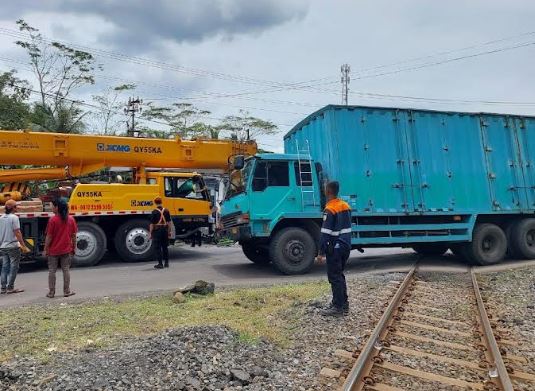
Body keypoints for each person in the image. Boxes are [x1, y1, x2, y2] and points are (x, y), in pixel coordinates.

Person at [316, 181, 352, 317]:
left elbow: (325, 233)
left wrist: (321, 253)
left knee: (334, 277)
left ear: (327, 191)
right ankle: (343, 303)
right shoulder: (345, 206)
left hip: (335, 248)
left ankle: (338, 307)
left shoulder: (330, 209)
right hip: (345, 246)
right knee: (340, 274)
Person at [44, 198, 77, 298]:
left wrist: (46, 249)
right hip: (66, 250)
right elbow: (74, 236)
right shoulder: (71, 219)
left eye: (52, 206)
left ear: (57, 207)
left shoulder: (52, 220)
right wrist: (73, 247)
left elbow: (49, 237)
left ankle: (51, 292)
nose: (51, 207)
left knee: (52, 271)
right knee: (66, 270)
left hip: (53, 251)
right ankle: (66, 291)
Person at [0, 199, 29, 294]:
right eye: (16, 206)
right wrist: (23, 245)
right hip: (13, 246)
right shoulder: (14, 218)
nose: (17, 208)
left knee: (4, 267)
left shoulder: (1, 218)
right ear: (13, 208)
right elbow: (17, 232)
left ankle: (3, 288)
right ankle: (10, 288)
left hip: (3, 246)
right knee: (14, 267)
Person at [150, 196, 172, 269]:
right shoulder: (166, 211)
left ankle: (160, 264)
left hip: (157, 231)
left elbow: (152, 224)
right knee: (165, 247)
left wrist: (151, 233)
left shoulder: (154, 212)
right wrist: (169, 232)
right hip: (165, 230)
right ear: (161, 202)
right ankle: (166, 263)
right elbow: (169, 223)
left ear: (155, 203)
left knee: (158, 247)